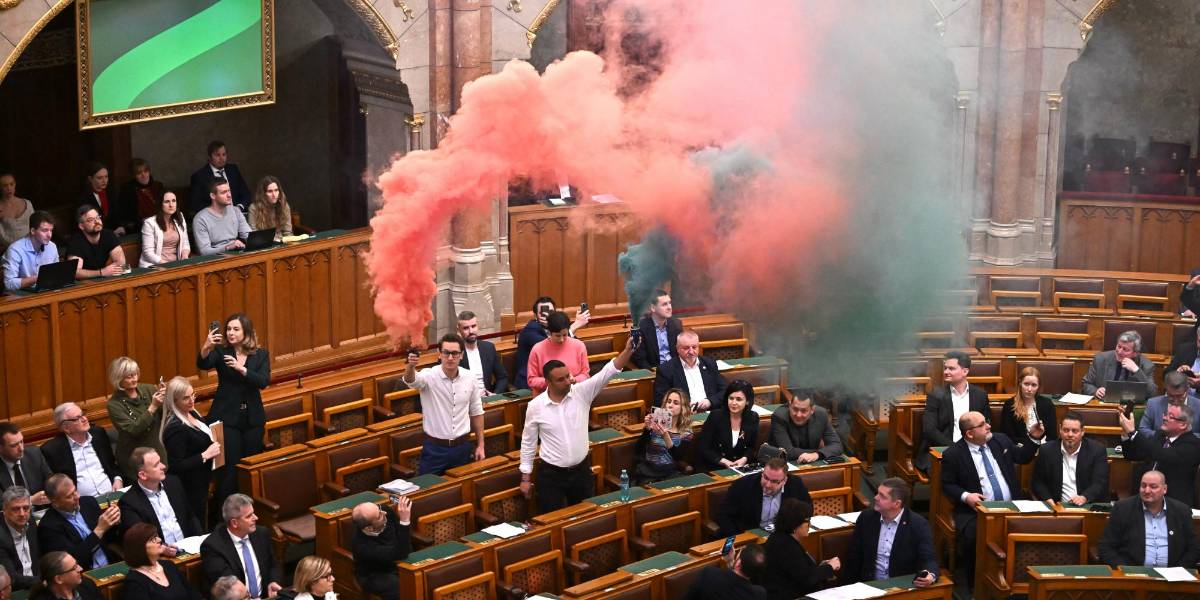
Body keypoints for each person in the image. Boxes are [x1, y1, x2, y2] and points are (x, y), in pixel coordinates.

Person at [520, 336, 639, 512]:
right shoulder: (535, 406)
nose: (568, 381)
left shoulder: (581, 393)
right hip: (551, 475)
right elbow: (528, 443)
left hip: (581, 472)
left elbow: (608, 371)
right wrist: (525, 478)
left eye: (568, 376)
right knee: (552, 520)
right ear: (548, 383)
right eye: (561, 380)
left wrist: (628, 350)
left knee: (585, 516)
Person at [941, 411, 1036, 586]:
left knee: (1034, 526)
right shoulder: (953, 454)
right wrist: (966, 496)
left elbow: (1023, 457)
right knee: (974, 535)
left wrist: (1034, 438)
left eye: (987, 422)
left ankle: (1020, 579)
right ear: (969, 433)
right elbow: (947, 484)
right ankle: (977, 584)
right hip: (976, 512)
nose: (989, 426)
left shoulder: (1000, 440)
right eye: (983, 424)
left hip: (1012, 505)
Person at [198, 314, 270, 510]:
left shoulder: (261, 354)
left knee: (250, 466)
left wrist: (242, 369)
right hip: (227, 418)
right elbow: (203, 364)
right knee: (229, 469)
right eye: (228, 329)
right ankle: (227, 514)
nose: (230, 332)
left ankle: (249, 511)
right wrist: (206, 346)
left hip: (252, 418)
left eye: (235, 329)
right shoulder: (221, 352)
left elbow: (263, 381)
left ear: (246, 332)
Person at [404, 333, 486, 475]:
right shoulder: (429, 376)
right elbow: (411, 380)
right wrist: (411, 366)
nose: (450, 358)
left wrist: (481, 445)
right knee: (428, 493)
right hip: (435, 449)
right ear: (439, 354)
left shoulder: (470, 377)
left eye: (454, 353)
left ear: (461, 355)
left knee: (462, 492)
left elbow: (476, 412)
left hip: (462, 447)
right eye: (446, 353)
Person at [842, 478, 938, 586]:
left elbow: (928, 558)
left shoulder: (918, 525)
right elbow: (854, 556)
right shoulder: (866, 518)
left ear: (897, 504)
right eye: (877, 493)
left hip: (901, 587)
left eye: (882, 496)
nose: (875, 497)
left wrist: (931, 575)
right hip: (869, 586)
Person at [1099, 470, 1200, 568]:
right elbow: (1106, 547)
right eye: (1143, 486)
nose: (1147, 490)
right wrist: (1126, 570)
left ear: (1164, 489)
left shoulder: (1181, 511)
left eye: (1153, 487)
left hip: (1173, 578)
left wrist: (1179, 571)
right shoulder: (1123, 509)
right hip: (1134, 576)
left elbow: (1194, 548)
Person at [160, 377, 219, 529]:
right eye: (185, 398)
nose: (191, 400)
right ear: (174, 401)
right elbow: (176, 465)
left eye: (192, 395)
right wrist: (205, 455)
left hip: (202, 480)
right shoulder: (175, 427)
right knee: (197, 526)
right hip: (190, 487)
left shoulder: (192, 412)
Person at [917, 351, 989, 473]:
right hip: (941, 448)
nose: (946, 372)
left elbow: (985, 425)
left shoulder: (980, 395)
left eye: (951, 368)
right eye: (945, 368)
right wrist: (956, 448)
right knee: (953, 472)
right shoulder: (935, 395)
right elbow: (930, 430)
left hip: (973, 447)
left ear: (965, 371)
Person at [118, 447, 200, 552]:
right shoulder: (129, 502)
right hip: (160, 557)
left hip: (189, 548)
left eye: (160, 461)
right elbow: (141, 540)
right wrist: (163, 549)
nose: (163, 466)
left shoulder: (173, 483)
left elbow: (190, 516)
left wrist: (199, 540)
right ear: (143, 475)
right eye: (156, 465)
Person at [1118, 403, 1200, 507]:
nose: (1164, 418)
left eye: (1170, 416)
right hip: (1144, 496)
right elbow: (1133, 455)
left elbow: (1162, 454)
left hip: (1173, 503)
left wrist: (1133, 433)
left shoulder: (1193, 445)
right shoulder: (1160, 435)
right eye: (1165, 414)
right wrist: (1126, 435)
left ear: (1183, 425)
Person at [201, 494, 281, 600]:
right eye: (249, 516)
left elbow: (273, 564)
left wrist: (272, 581)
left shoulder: (261, 533)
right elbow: (229, 589)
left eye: (253, 513)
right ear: (234, 523)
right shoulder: (212, 547)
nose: (256, 518)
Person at [37, 474, 120, 570]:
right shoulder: (48, 527)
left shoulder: (89, 502)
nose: (77, 497)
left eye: (75, 491)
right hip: (82, 575)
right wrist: (99, 530)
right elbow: (73, 560)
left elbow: (109, 538)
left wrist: (115, 520)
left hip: (110, 563)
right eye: (69, 496)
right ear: (55, 502)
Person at [40, 403, 122, 498]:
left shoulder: (98, 434)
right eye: (77, 418)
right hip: (82, 505)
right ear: (66, 428)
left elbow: (112, 465)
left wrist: (118, 479)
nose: (84, 419)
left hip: (114, 496)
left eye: (83, 414)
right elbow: (57, 486)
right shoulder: (52, 450)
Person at [714, 458, 812, 537]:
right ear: (762, 473)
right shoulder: (743, 485)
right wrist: (740, 537)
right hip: (749, 537)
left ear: (784, 481)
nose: (768, 485)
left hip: (781, 536)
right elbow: (722, 515)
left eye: (774, 481)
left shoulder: (795, 484)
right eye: (765, 478)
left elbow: (808, 509)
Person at [762, 499, 838, 599]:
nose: (809, 525)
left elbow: (800, 571)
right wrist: (829, 567)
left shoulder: (780, 538)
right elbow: (806, 579)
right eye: (807, 521)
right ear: (795, 524)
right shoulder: (785, 546)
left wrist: (821, 567)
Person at [105, 356, 167, 477]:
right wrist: (153, 406)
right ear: (118, 379)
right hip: (135, 457)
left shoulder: (149, 389)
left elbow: (165, 414)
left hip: (156, 449)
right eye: (129, 376)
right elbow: (133, 429)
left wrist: (166, 399)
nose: (134, 379)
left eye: (135, 374)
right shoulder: (114, 404)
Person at [1031, 411, 1110, 505]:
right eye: (1066, 430)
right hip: (1056, 507)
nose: (1070, 435)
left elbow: (1100, 483)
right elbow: (1037, 482)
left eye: (1074, 431)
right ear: (1060, 430)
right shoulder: (1046, 451)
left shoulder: (1097, 451)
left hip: (1087, 505)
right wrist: (1047, 499)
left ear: (1082, 431)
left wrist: (1084, 497)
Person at [513, 297, 588, 389]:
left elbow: (584, 373)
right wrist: (573, 327)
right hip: (530, 386)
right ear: (536, 315)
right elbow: (550, 344)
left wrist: (574, 380)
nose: (547, 315)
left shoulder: (577, 345)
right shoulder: (530, 332)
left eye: (550, 312)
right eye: (543, 312)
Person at [350, 497, 411, 600]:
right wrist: (404, 521)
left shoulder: (385, 511)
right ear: (368, 528)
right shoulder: (362, 546)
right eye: (379, 516)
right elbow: (399, 554)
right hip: (376, 574)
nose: (384, 513)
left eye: (379, 508)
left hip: (397, 562)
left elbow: (401, 537)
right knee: (399, 586)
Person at [121, 523, 201, 600]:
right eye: (152, 539)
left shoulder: (169, 565)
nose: (159, 540)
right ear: (139, 548)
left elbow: (193, 594)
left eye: (157, 536)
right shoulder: (135, 582)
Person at [694, 380, 759, 473]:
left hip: (740, 467)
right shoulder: (715, 416)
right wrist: (723, 461)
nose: (733, 402)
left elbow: (751, 447)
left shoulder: (753, 418)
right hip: (714, 466)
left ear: (747, 402)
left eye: (739, 399)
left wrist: (744, 459)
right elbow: (704, 447)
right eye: (731, 398)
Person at [633, 388, 695, 484]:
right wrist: (646, 429)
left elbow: (679, 458)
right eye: (669, 401)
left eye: (676, 403)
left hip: (670, 473)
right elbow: (638, 450)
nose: (670, 405)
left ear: (683, 407)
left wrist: (666, 436)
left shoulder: (686, 432)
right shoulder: (655, 424)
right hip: (648, 472)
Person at [652, 329, 727, 410]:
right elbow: (661, 400)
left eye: (694, 347)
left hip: (711, 412)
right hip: (684, 416)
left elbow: (725, 390)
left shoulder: (709, 364)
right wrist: (683, 407)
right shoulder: (666, 370)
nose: (691, 351)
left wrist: (710, 401)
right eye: (686, 348)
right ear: (677, 349)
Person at [767, 391, 843, 463]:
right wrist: (820, 451)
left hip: (811, 463)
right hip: (781, 463)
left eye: (803, 411)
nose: (798, 415)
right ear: (790, 405)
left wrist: (817, 455)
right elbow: (788, 452)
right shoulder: (779, 417)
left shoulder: (821, 415)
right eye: (795, 409)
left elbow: (837, 445)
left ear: (812, 410)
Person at [525, 311, 590, 395]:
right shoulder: (537, 349)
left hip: (574, 394)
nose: (562, 339)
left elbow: (585, 375)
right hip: (545, 397)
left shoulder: (579, 346)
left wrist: (575, 380)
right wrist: (552, 383)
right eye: (558, 336)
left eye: (565, 335)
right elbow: (531, 380)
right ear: (549, 333)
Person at [1082, 330, 1158, 398]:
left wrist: (1137, 371)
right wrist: (1095, 391)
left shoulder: (1146, 365)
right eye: (1119, 346)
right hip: (1105, 406)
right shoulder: (1101, 359)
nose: (1119, 351)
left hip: (1131, 407)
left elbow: (1152, 394)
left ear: (1135, 353)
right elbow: (1086, 383)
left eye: (1125, 349)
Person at [681, 542, 767, 600]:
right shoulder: (759, 594)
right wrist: (730, 562)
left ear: (739, 563)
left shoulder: (709, 574)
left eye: (738, 555)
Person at [999, 366, 1056, 449]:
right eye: (1026, 384)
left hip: (1043, 450)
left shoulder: (1047, 404)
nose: (1029, 389)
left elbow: (1052, 436)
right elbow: (1007, 436)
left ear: (1038, 386)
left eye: (1034, 385)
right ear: (1020, 383)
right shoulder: (1010, 405)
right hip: (1020, 449)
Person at [66, 205, 126, 280]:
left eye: (98, 217)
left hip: (102, 280)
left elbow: (121, 263)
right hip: (82, 285)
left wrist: (105, 272)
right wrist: (101, 272)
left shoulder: (108, 235)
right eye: (91, 220)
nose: (97, 221)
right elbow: (75, 272)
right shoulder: (75, 242)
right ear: (81, 226)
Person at [189, 141, 251, 214]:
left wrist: (239, 207)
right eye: (217, 155)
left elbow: (246, 194)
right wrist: (217, 211)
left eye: (224, 154)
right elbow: (195, 204)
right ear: (209, 157)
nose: (222, 158)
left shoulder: (233, 170)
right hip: (215, 217)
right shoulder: (199, 176)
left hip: (238, 214)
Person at [2, 210, 57, 292]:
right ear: (33, 231)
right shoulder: (15, 249)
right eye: (45, 230)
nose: (49, 235)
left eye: (51, 230)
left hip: (47, 293)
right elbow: (9, 283)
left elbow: (56, 275)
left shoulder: (52, 247)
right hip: (22, 297)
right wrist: (37, 278)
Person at [193, 179, 251, 255]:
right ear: (213, 196)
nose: (229, 195)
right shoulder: (200, 219)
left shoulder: (236, 211)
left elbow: (248, 236)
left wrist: (264, 239)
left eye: (229, 191)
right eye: (223, 192)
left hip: (236, 253)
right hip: (215, 259)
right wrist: (227, 247)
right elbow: (204, 251)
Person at [457, 311, 508, 394]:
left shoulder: (489, 348)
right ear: (459, 330)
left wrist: (494, 395)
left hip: (488, 399)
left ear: (478, 326)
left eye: (473, 326)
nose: (471, 331)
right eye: (466, 328)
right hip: (465, 402)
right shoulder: (454, 353)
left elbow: (502, 377)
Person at [0, 423, 50, 504]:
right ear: (1, 448)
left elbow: (50, 480)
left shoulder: (34, 454)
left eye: (21, 441)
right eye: (14, 445)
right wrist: (30, 501)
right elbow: (1, 504)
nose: (21, 448)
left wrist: (52, 492)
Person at [632, 289, 683, 369]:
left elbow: (681, 352)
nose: (669, 307)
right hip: (654, 372)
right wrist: (653, 373)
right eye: (664, 304)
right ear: (653, 308)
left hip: (675, 370)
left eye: (670, 303)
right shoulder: (641, 328)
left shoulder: (676, 324)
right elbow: (640, 359)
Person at [1138, 371, 1200, 437]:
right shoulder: (1153, 404)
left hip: (1189, 446)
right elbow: (1143, 429)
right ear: (1166, 390)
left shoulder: (1198, 405)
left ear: (1187, 390)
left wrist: (1181, 437)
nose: (1176, 400)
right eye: (1171, 396)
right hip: (1159, 445)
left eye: (1180, 396)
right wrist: (1165, 437)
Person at [0, 487, 38, 590]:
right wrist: (42, 581)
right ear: (4, 510)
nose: (22, 514)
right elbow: (11, 578)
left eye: (25, 508)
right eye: (15, 509)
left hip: (36, 585)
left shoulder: (31, 523)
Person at [139, 191, 190, 267]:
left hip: (176, 264)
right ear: (160, 205)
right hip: (155, 265)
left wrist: (185, 256)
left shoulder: (180, 217)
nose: (171, 205)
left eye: (173, 201)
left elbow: (185, 243)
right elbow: (148, 253)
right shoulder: (149, 223)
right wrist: (167, 265)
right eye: (167, 202)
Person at [115, 159, 164, 236]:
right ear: (133, 175)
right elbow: (125, 215)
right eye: (139, 173)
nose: (143, 175)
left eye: (145, 171)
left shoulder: (158, 186)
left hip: (160, 224)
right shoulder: (127, 189)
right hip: (139, 228)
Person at [27, 552, 100, 600]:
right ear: (59, 579)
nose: (80, 569)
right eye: (74, 567)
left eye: (77, 564)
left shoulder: (87, 585)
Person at [77, 162, 123, 236]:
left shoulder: (111, 193)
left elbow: (117, 214)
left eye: (106, 177)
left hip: (114, 234)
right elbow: (87, 223)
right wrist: (110, 233)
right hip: (94, 235)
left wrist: (120, 226)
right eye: (100, 178)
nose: (104, 181)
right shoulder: (83, 198)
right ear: (90, 179)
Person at [247, 176, 293, 241]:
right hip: (263, 243)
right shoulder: (254, 208)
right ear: (263, 194)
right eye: (270, 191)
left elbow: (288, 232)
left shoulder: (284, 205)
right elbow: (254, 234)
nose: (274, 195)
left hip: (281, 242)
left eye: (276, 190)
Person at [0, 171, 33, 255]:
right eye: (5, 186)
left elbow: (35, 226)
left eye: (11, 184)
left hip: (31, 246)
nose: (9, 188)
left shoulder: (27, 203)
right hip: (10, 250)